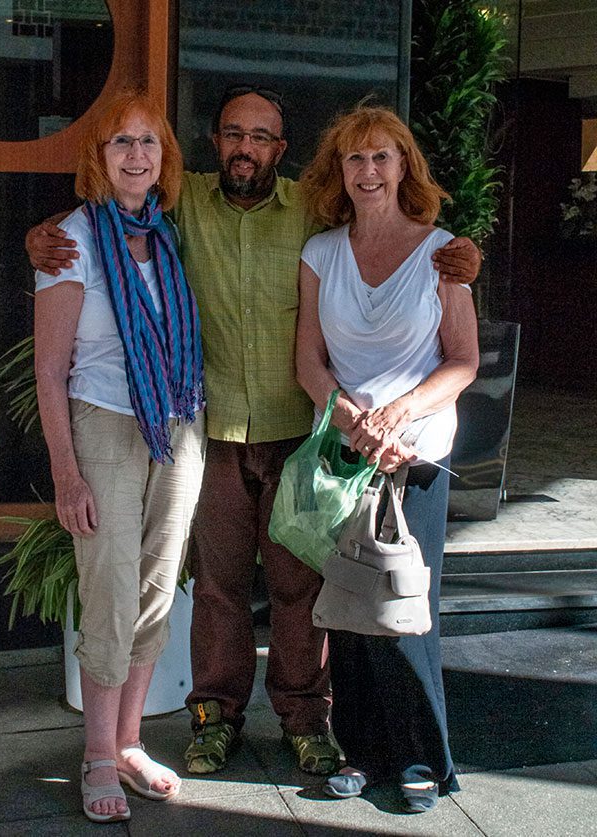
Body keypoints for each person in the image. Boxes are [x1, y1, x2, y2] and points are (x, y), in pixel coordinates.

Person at [26, 84, 481, 778]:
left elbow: (388, 229)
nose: (246, 147)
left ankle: (306, 720)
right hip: (209, 431)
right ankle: (215, 717)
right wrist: (42, 235)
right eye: (234, 134)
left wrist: (464, 256)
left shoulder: (311, 208)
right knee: (218, 587)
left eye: (261, 136)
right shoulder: (184, 201)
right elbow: (112, 206)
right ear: (215, 143)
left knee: (301, 587)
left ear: (281, 148)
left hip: (298, 430)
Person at [296, 104, 479, 812]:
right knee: (349, 607)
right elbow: (308, 361)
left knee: (405, 608)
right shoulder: (320, 253)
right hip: (344, 453)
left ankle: (423, 757)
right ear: (338, 170)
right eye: (355, 158)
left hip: (416, 455)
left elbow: (462, 361)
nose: (368, 171)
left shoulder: (444, 254)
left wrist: (398, 414)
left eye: (381, 157)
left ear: (405, 167)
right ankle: (362, 752)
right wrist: (348, 418)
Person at [34, 90, 205, 823]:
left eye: (148, 141)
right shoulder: (69, 241)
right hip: (103, 423)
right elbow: (49, 371)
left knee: (157, 584)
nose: (137, 155)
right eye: (121, 142)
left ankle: (131, 742)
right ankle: (98, 754)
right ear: (98, 157)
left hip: (179, 424)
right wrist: (66, 474)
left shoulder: (169, 233)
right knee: (108, 588)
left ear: (165, 155)